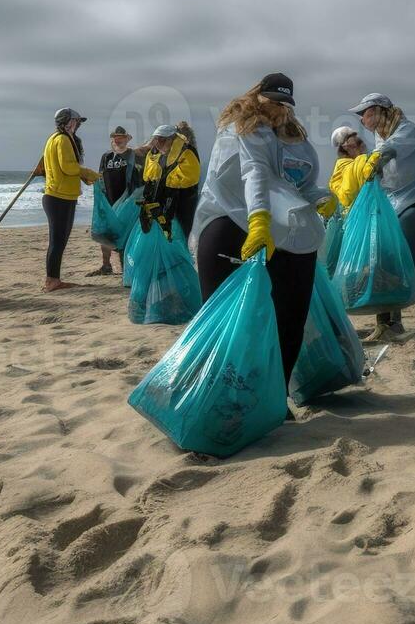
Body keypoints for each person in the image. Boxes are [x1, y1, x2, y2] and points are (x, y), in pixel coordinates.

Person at [192, 74, 335, 390]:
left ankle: (275, 397)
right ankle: (220, 395)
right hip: (231, 224)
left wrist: (319, 196)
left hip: (283, 231)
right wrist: (258, 221)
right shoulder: (242, 128)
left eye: (284, 103)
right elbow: (255, 173)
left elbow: (296, 182)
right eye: (272, 100)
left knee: (289, 318)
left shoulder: (293, 135)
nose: (277, 108)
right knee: (224, 322)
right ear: (257, 95)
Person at [350, 92, 415, 341]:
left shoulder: (407, 130)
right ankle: (389, 324)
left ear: (378, 111)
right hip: (390, 202)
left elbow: (392, 149)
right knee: (385, 265)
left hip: (414, 202)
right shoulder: (380, 134)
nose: (361, 119)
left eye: (364, 113)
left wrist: (376, 158)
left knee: (412, 263)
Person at [42, 108, 99, 292]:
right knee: (58, 241)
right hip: (60, 197)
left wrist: (83, 177)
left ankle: (53, 279)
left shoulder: (53, 139)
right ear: (68, 121)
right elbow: (68, 167)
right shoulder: (63, 140)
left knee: (58, 241)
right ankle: (52, 281)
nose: (78, 125)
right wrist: (89, 173)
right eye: (77, 122)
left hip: (57, 195)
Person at [89, 126, 143, 276]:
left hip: (127, 202)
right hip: (109, 200)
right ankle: (106, 265)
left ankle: (125, 268)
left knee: (124, 235)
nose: (118, 140)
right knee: (106, 234)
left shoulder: (133, 155)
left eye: (121, 137)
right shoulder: (106, 156)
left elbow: (140, 177)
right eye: (115, 137)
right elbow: (100, 176)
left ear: (127, 139)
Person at [141, 123, 202, 240]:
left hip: (183, 202)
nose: (158, 143)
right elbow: (149, 175)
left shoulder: (187, 151)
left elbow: (189, 177)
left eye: (162, 140)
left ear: (172, 139)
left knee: (182, 233)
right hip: (162, 204)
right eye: (156, 139)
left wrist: (162, 184)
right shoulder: (155, 153)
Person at [329, 125, 369, 209]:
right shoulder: (345, 166)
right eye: (354, 145)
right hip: (353, 214)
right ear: (345, 148)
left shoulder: (362, 162)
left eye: (360, 143)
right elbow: (346, 195)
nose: (361, 147)